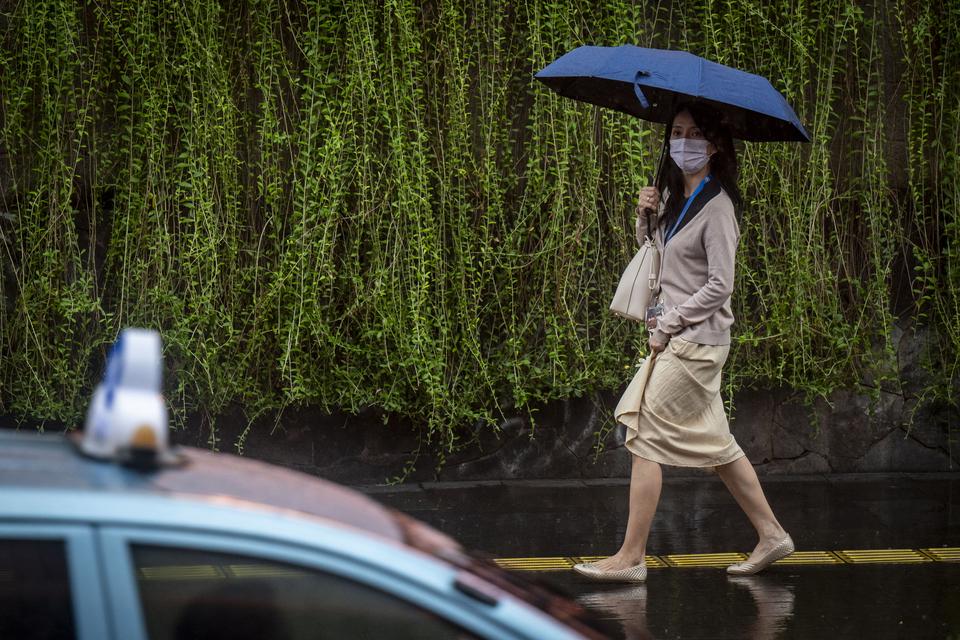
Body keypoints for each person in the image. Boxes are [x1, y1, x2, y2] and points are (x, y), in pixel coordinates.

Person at [574, 103, 794, 582]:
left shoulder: (718, 209)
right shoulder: (677, 199)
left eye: (695, 133)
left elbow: (720, 285)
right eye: (676, 132)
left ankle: (631, 557)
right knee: (719, 446)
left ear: (714, 145)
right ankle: (773, 534)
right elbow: (660, 258)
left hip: (696, 342)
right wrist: (645, 216)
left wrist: (670, 320)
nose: (683, 141)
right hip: (680, 338)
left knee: (643, 430)